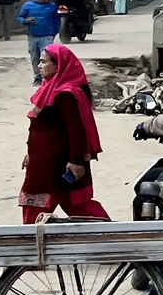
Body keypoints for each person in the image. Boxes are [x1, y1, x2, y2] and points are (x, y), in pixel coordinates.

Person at [20, 44, 110, 224]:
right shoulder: (48, 89)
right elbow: (40, 129)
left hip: (57, 162)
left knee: (40, 206)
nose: (39, 66)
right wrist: (30, 154)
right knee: (74, 203)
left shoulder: (66, 94)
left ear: (59, 66)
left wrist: (75, 161)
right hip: (44, 159)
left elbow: (76, 130)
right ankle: (106, 231)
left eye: (44, 62)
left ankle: (31, 241)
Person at [17, 0, 61, 79]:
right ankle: (37, 77)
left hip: (47, 36)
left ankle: (47, 77)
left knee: (46, 58)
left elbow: (57, 20)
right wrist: (26, 21)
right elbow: (20, 17)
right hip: (33, 36)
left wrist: (54, 32)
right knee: (34, 57)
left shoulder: (52, 6)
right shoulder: (28, 5)